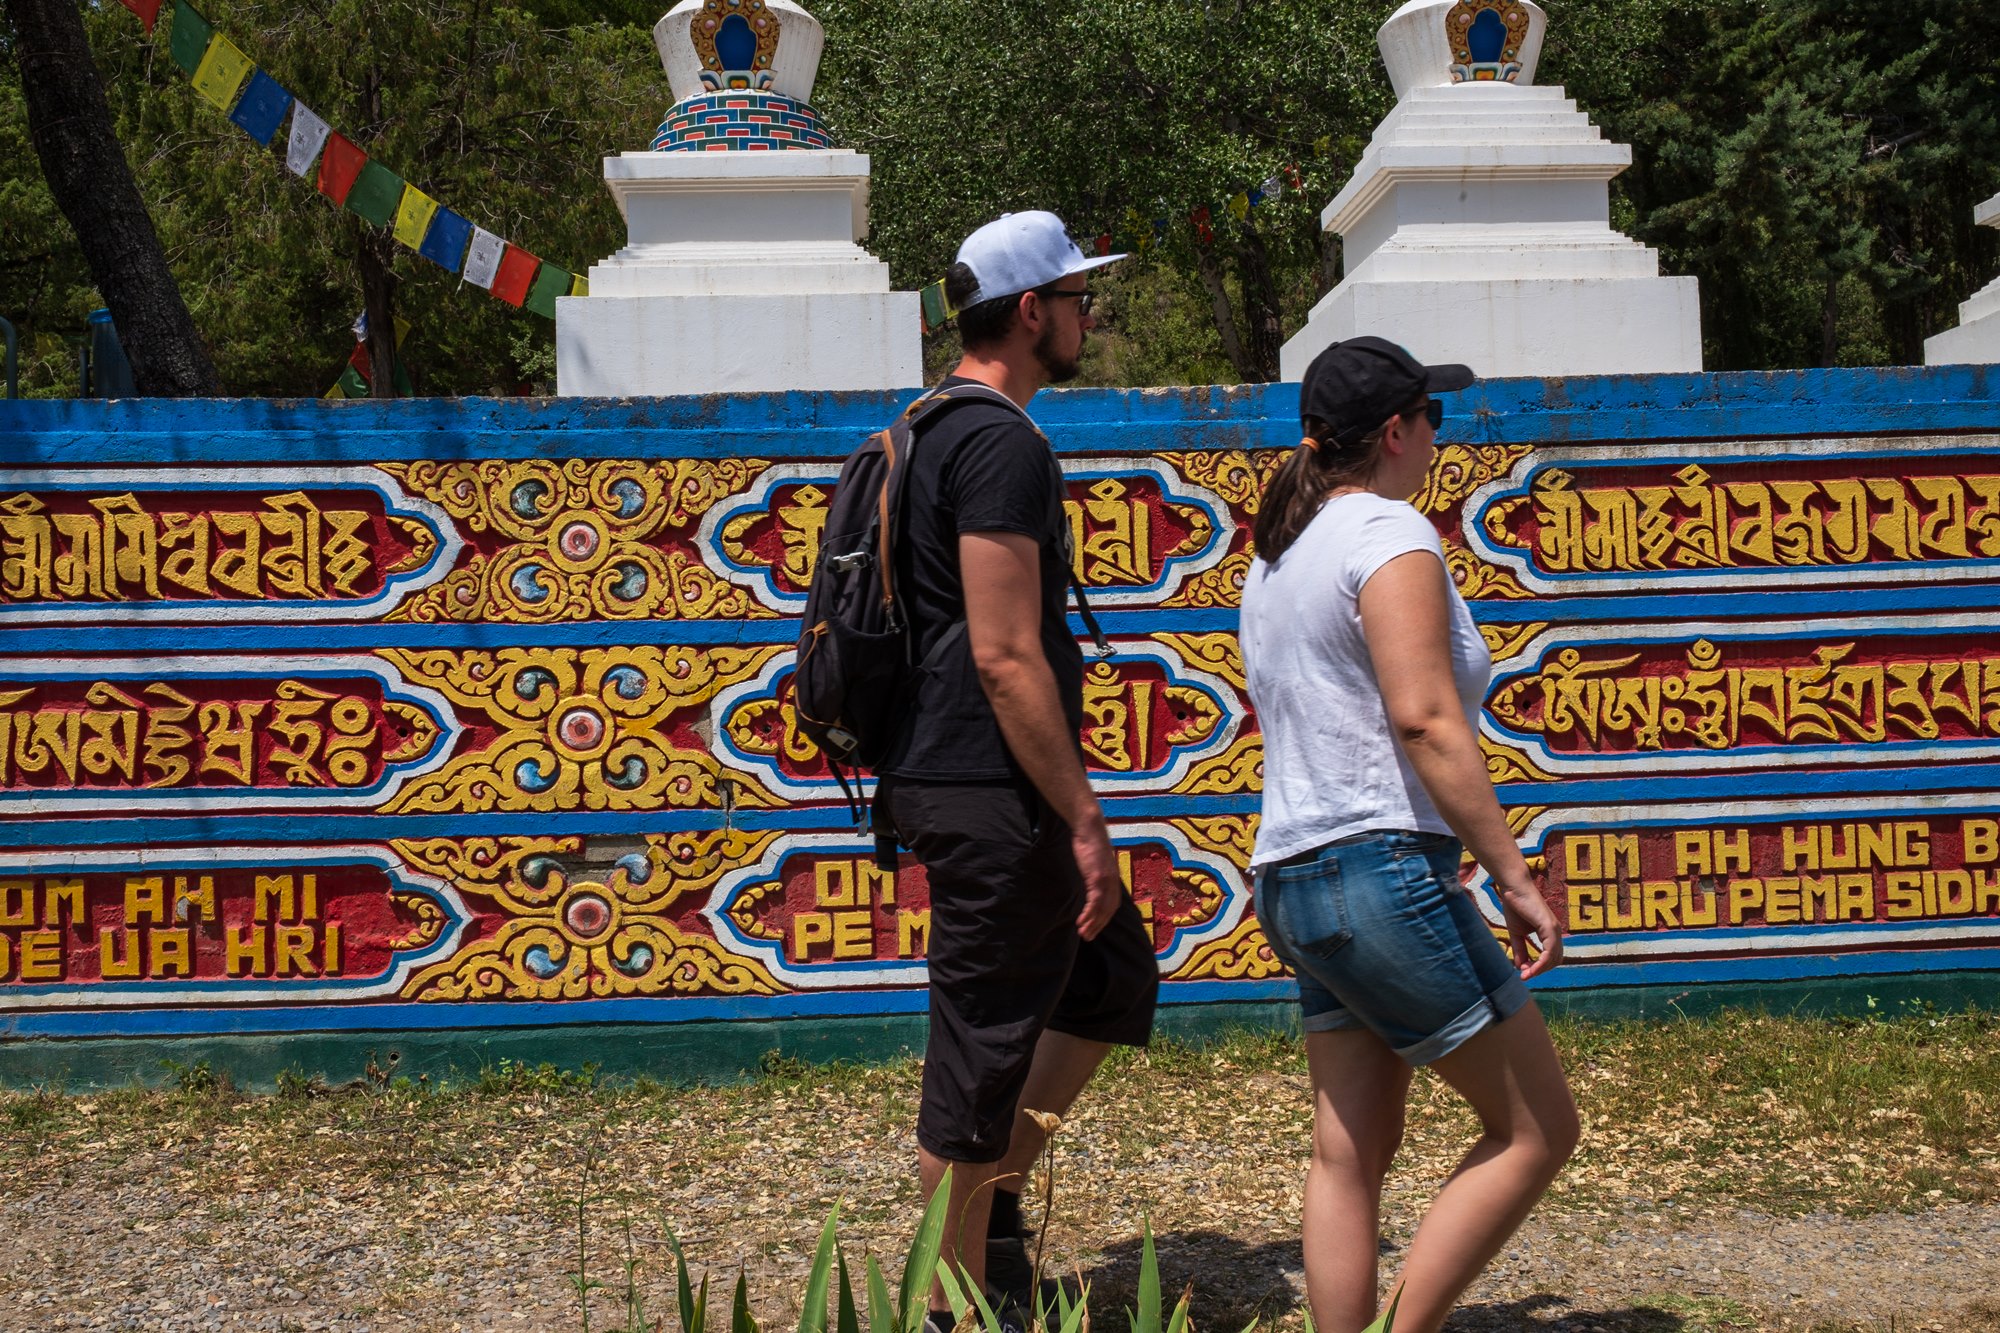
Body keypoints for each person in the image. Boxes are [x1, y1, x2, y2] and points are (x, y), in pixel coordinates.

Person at [1238, 337, 1580, 1333]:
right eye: (1433, 416)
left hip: (1295, 875)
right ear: (1394, 431)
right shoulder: (1387, 533)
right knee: (1535, 1128)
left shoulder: (1279, 555)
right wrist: (1514, 876)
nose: (1439, 435)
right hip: (1375, 868)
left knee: (1349, 1151)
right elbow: (1425, 718)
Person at [870, 211, 1160, 1324]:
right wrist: (1083, 816)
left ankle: (987, 1216)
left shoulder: (923, 427)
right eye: (1079, 298)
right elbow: (1002, 652)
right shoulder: (997, 443)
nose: (1090, 315)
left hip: (955, 773)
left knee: (1106, 977)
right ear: (1031, 311)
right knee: (981, 1051)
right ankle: (950, 1302)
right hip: (990, 786)